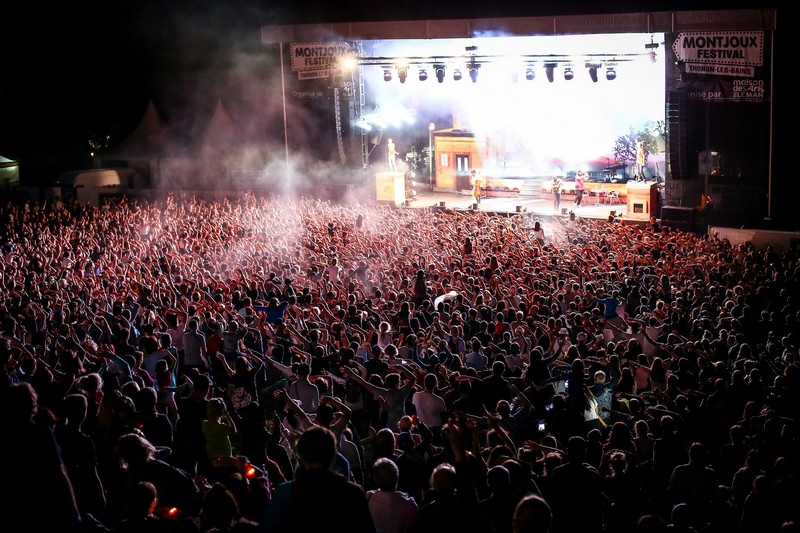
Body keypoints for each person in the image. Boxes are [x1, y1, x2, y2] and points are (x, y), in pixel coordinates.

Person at [258, 426, 376, 533]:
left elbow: (266, 528)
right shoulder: (354, 493)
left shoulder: (286, 492)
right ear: (333, 455)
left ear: (301, 455)